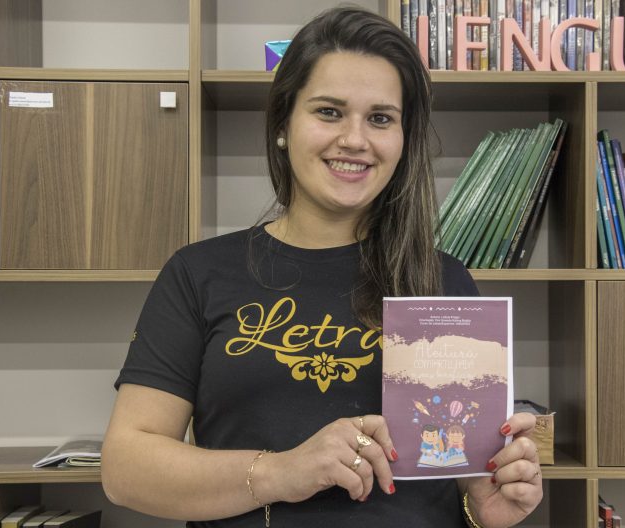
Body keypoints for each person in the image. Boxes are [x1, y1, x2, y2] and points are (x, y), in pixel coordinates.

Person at [101, 6, 542, 528]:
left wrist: (482, 506)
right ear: (283, 124)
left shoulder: (444, 283)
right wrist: (282, 472)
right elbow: (126, 468)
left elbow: (462, 473)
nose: (355, 139)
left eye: (380, 118)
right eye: (329, 112)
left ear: (403, 141)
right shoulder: (198, 274)